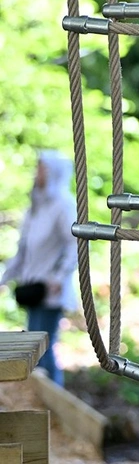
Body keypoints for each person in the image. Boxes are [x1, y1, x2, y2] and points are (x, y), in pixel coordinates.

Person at [2, 150, 79, 387]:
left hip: (51, 292)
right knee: (33, 349)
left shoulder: (63, 205)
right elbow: (23, 251)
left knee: (42, 351)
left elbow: (75, 242)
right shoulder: (37, 207)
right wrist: (4, 278)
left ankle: (56, 404)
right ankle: (44, 402)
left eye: (42, 169)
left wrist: (57, 276)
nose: (37, 174)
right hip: (33, 289)